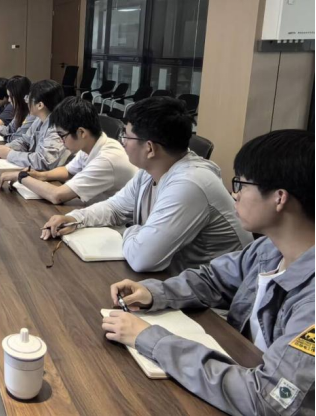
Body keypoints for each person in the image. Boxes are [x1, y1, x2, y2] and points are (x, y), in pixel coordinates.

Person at [103, 130, 315, 415]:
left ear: (279, 198)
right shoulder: (269, 248)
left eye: (241, 184)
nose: (234, 194)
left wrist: (151, 339)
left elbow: (267, 400)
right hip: (240, 367)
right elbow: (214, 279)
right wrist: (155, 293)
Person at [42, 97, 253, 274]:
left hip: (216, 300)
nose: (122, 142)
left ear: (150, 148)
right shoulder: (151, 170)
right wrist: (76, 218)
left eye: (126, 136)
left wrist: (133, 230)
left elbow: (143, 259)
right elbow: (116, 207)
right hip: (176, 279)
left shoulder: (189, 184)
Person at [0, 97, 136, 206]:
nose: (61, 141)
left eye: (62, 136)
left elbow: (57, 196)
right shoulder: (91, 144)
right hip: (93, 207)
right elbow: (68, 170)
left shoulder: (107, 159)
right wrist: (40, 175)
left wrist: (21, 176)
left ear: (81, 132)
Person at [0, 80, 70, 171]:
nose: (27, 102)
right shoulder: (39, 119)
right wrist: (7, 147)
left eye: (29, 98)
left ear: (40, 105)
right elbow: (24, 141)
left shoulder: (56, 127)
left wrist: (9, 154)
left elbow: (43, 161)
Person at [0, 76, 35, 143]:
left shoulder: (32, 114)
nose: (9, 100)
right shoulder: (19, 110)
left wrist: (5, 137)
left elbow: (18, 136)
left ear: (19, 96)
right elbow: (9, 129)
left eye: (10, 96)